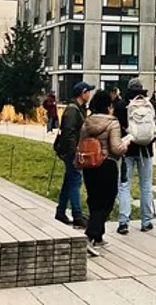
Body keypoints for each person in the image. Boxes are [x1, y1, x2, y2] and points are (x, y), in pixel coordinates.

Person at [80, 91, 132, 256]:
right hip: (106, 164)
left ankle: (98, 237)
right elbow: (116, 148)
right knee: (107, 201)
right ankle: (89, 235)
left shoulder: (87, 122)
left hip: (89, 165)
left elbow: (80, 142)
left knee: (94, 200)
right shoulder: (112, 123)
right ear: (109, 106)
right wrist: (127, 142)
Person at [114, 78, 156, 235]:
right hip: (146, 151)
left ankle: (123, 222)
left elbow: (115, 127)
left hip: (127, 151)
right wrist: (149, 140)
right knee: (146, 186)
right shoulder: (151, 104)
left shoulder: (122, 105)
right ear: (142, 89)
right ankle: (146, 221)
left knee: (124, 186)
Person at [54, 81, 94, 229]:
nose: (90, 94)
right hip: (72, 152)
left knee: (69, 180)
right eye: (88, 91)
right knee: (76, 180)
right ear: (83, 93)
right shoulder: (73, 110)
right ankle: (77, 215)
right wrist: (74, 153)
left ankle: (61, 211)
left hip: (72, 151)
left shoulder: (78, 109)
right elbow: (69, 133)